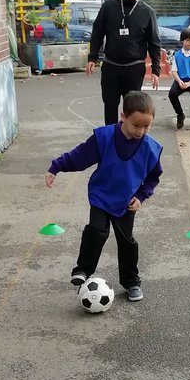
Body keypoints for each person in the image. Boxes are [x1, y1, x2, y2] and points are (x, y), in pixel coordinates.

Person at [44, 90, 162, 302]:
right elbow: (79, 157)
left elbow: (153, 177)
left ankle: (131, 282)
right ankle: (82, 271)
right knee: (96, 230)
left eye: (147, 126)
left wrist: (141, 197)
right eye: (136, 125)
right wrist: (56, 166)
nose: (141, 131)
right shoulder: (104, 137)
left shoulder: (150, 148)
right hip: (101, 196)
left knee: (127, 241)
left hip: (127, 202)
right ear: (123, 117)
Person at [85, 0, 162, 126]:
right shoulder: (108, 7)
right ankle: (111, 141)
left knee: (133, 110)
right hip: (111, 66)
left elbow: (154, 42)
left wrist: (156, 70)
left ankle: (129, 141)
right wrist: (92, 57)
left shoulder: (147, 12)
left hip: (134, 69)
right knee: (110, 106)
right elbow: (97, 33)